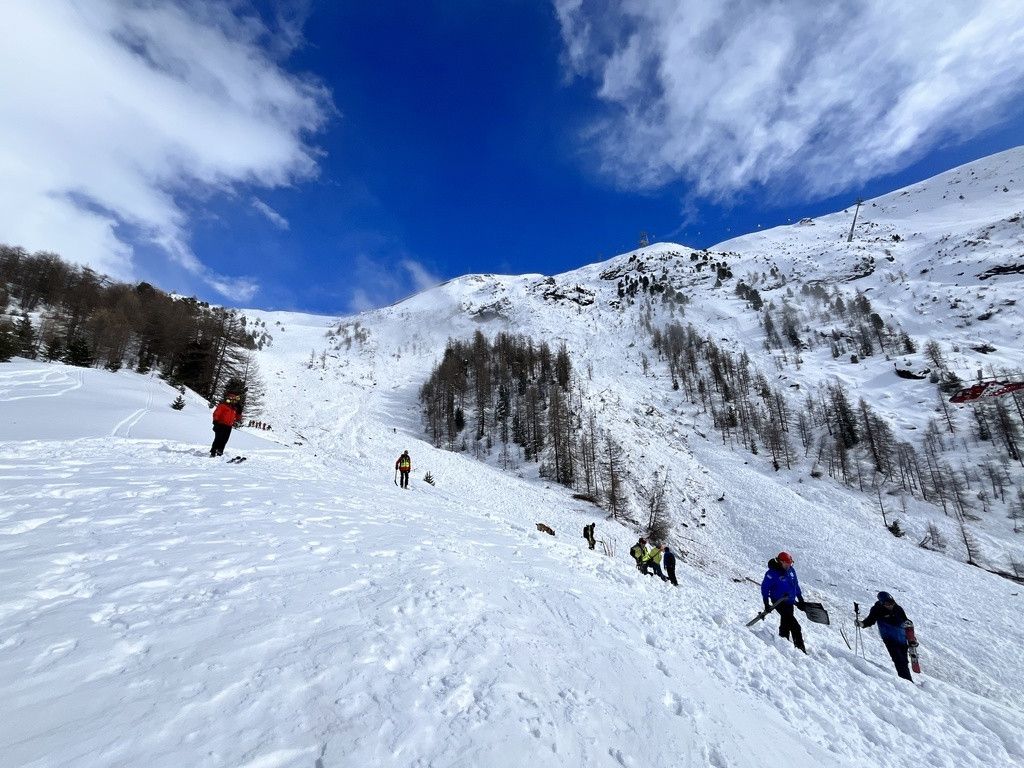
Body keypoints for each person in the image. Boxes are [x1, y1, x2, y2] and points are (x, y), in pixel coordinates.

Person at [858, 591, 913, 681]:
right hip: (889, 638)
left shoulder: (898, 609)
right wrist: (862, 624)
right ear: (881, 602)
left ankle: (906, 681)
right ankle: (907, 681)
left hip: (901, 638)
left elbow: (906, 622)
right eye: (887, 604)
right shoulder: (877, 610)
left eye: (892, 603)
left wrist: (910, 637)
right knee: (898, 660)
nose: (890, 605)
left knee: (904, 661)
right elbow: (870, 620)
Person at [760, 551, 806, 653]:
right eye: (786, 563)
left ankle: (782, 642)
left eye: (790, 563)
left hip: (790, 601)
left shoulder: (791, 570)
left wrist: (800, 599)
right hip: (779, 601)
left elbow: (795, 585)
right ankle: (801, 650)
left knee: (786, 623)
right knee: (795, 627)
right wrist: (766, 603)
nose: (789, 565)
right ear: (780, 562)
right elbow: (765, 588)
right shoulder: (772, 573)